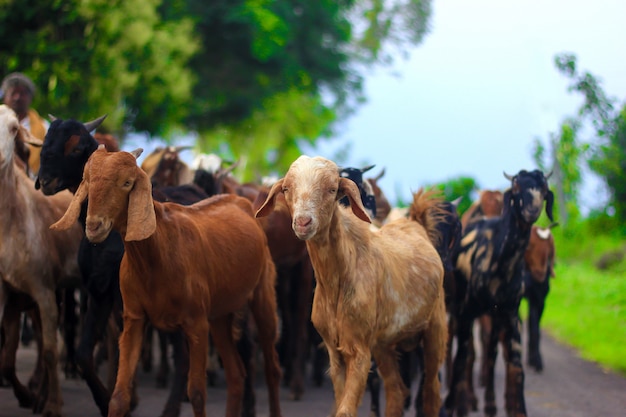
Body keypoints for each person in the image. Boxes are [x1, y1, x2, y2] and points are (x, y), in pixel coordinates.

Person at [1, 72, 49, 173]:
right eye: (13, 93)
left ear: (30, 98)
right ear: (5, 97)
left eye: (22, 93)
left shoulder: (44, 127)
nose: (17, 97)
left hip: (32, 184)